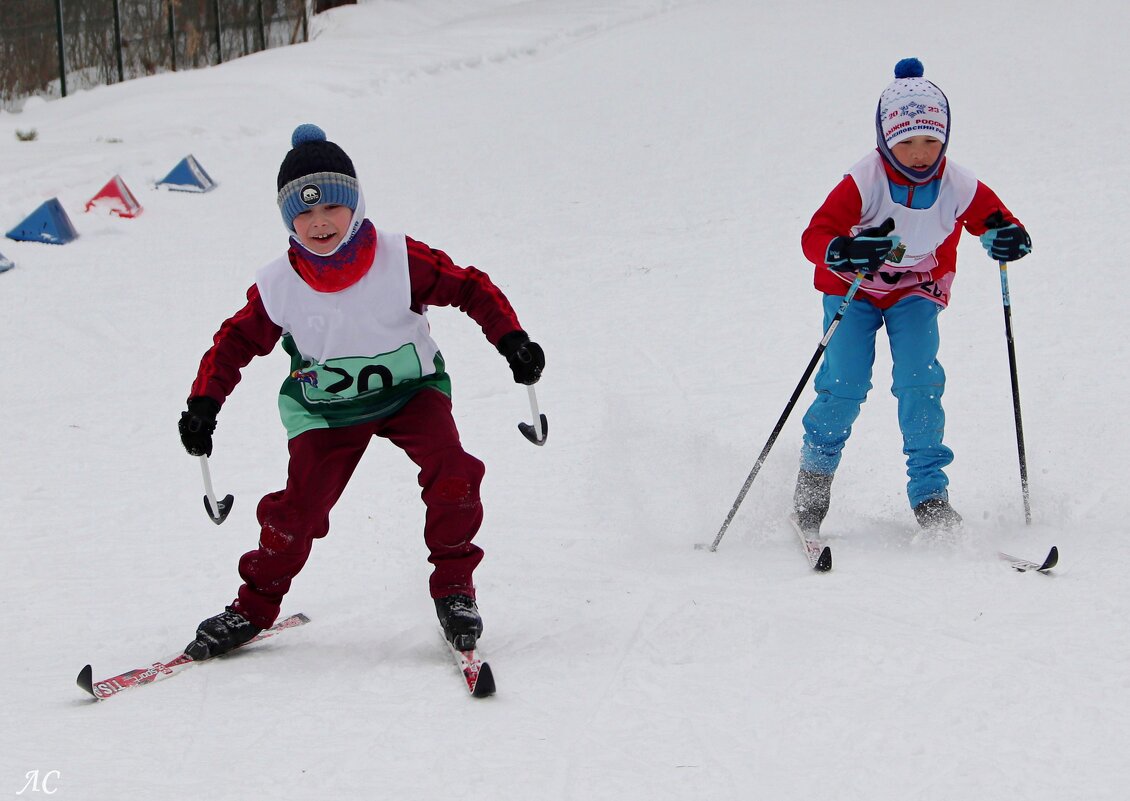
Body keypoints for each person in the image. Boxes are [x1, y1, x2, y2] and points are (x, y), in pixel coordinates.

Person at [178, 124, 544, 657]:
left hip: (411, 391)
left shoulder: (400, 259)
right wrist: (203, 405)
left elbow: (469, 286)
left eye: (331, 206)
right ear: (288, 220)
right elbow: (233, 342)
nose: (319, 222)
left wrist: (511, 339)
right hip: (326, 412)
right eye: (302, 213)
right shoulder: (281, 285)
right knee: (296, 511)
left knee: (454, 474)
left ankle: (455, 589)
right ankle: (252, 608)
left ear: (354, 204)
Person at [793, 58, 1031, 534]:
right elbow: (815, 235)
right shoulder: (864, 180)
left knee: (920, 383)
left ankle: (930, 496)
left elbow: (998, 221)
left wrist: (1009, 237)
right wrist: (843, 250)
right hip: (854, 289)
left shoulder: (958, 183)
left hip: (916, 291)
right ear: (885, 140)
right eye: (906, 142)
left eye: (931, 141)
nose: (920, 154)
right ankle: (813, 488)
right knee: (843, 384)